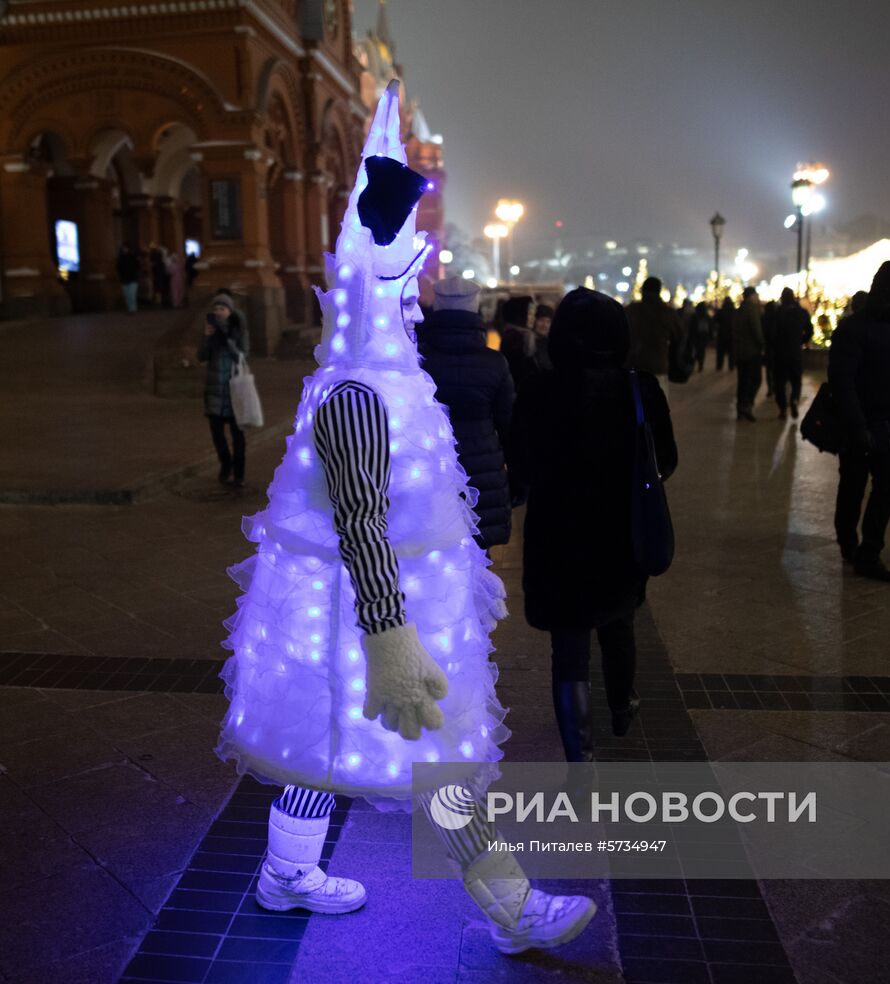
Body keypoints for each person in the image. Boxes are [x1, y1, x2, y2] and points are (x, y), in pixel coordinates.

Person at [214, 83, 597, 955]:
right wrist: (390, 635)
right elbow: (359, 520)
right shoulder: (356, 393)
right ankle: (512, 908)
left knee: (323, 747)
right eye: (400, 269)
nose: (415, 284)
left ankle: (285, 873)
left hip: (377, 609)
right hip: (368, 615)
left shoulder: (392, 379)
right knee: (440, 755)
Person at [511, 287, 676, 762]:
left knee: (568, 646)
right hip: (620, 531)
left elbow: (520, 463)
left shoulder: (540, 390)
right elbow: (666, 459)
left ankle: (578, 756)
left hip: (557, 536)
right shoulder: (639, 389)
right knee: (620, 620)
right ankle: (622, 705)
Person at [828, 260, 890, 582]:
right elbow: (842, 382)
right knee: (853, 489)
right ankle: (848, 540)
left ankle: (870, 551)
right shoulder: (854, 329)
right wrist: (857, 426)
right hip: (861, 425)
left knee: (888, 488)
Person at [418, 277, 515, 548]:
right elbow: (510, 428)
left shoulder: (418, 362)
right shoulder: (494, 363)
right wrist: (517, 484)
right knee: (479, 563)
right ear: (475, 311)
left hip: (429, 471)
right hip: (482, 475)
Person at [198, 292, 248, 486]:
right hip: (214, 391)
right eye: (216, 308)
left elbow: (243, 356)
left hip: (235, 391)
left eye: (222, 308)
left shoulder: (239, 331)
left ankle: (239, 473)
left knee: (238, 436)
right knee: (217, 434)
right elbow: (201, 356)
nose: (218, 312)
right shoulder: (210, 331)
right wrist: (207, 337)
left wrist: (226, 339)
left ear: (230, 311)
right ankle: (225, 465)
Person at [624, 276, 683, 396]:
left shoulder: (630, 311)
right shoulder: (667, 313)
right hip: (658, 366)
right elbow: (679, 337)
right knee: (658, 408)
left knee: (632, 406)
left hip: (633, 365)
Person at [772, 288, 811, 419]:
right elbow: (810, 330)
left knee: (780, 383)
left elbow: (771, 333)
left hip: (780, 354)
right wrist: (801, 341)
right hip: (795, 353)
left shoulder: (778, 313)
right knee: (796, 381)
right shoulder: (802, 312)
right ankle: (794, 398)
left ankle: (783, 408)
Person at [499, 295, 549, 393]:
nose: (533, 318)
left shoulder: (519, 334)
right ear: (520, 314)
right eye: (530, 314)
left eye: (533, 315)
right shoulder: (518, 337)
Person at [732, 286, 765, 420]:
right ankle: (747, 406)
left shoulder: (739, 309)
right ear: (752, 296)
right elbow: (756, 329)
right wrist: (762, 344)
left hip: (740, 351)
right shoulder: (751, 309)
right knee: (756, 380)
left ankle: (740, 408)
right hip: (751, 352)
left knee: (742, 381)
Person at [689, 301, 712, 374]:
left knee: (694, 351)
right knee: (702, 352)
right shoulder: (706, 316)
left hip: (695, 336)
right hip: (703, 336)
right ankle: (700, 365)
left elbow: (691, 327)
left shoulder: (694, 316)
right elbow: (711, 326)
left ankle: (693, 366)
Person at [116, 244, 140, 314]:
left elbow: (137, 266)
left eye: (126, 248)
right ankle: (130, 309)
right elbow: (118, 268)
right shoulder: (120, 258)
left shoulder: (133, 257)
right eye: (124, 248)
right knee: (127, 295)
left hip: (133, 278)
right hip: (124, 279)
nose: (125, 250)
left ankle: (133, 309)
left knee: (132, 295)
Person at [714, 296, 735, 371]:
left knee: (720, 352)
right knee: (731, 352)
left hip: (722, 334)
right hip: (731, 334)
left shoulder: (721, 311)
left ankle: (719, 366)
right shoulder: (734, 311)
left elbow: (714, 320)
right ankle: (731, 366)